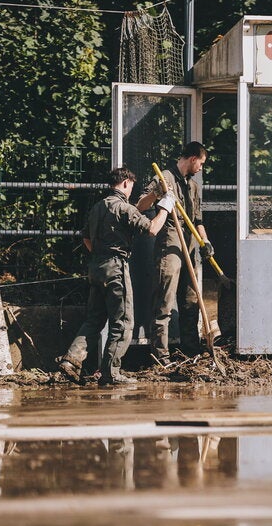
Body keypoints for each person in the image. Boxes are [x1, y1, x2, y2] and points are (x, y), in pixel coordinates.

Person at [57, 167, 174, 385]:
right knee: (123, 322)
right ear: (126, 183)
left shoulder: (97, 208)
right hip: (116, 268)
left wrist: (102, 255)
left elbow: (86, 239)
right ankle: (111, 373)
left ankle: (71, 361)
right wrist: (165, 208)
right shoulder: (123, 208)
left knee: (94, 320)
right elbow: (151, 229)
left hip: (96, 267)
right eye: (132, 186)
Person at [134, 141, 213, 364]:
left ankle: (191, 351)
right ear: (193, 158)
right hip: (170, 243)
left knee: (190, 301)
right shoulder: (165, 178)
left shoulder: (194, 186)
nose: (201, 168)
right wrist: (158, 193)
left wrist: (204, 241)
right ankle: (160, 355)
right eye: (201, 163)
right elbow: (140, 205)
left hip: (190, 245)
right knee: (164, 302)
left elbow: (197, 220)